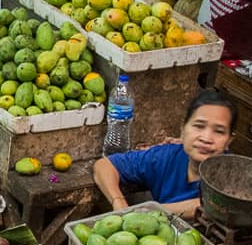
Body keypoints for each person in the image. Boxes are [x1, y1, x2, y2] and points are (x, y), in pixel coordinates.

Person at [93, 88, 237, 218]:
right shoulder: (167, 157)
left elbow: (215, 207)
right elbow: (104, 165)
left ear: (229, 140)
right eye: (199, 126)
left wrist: (147, 212)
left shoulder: (238, 177)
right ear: (183, 129)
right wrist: (119, 203)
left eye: (219, 131)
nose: (206, 138)